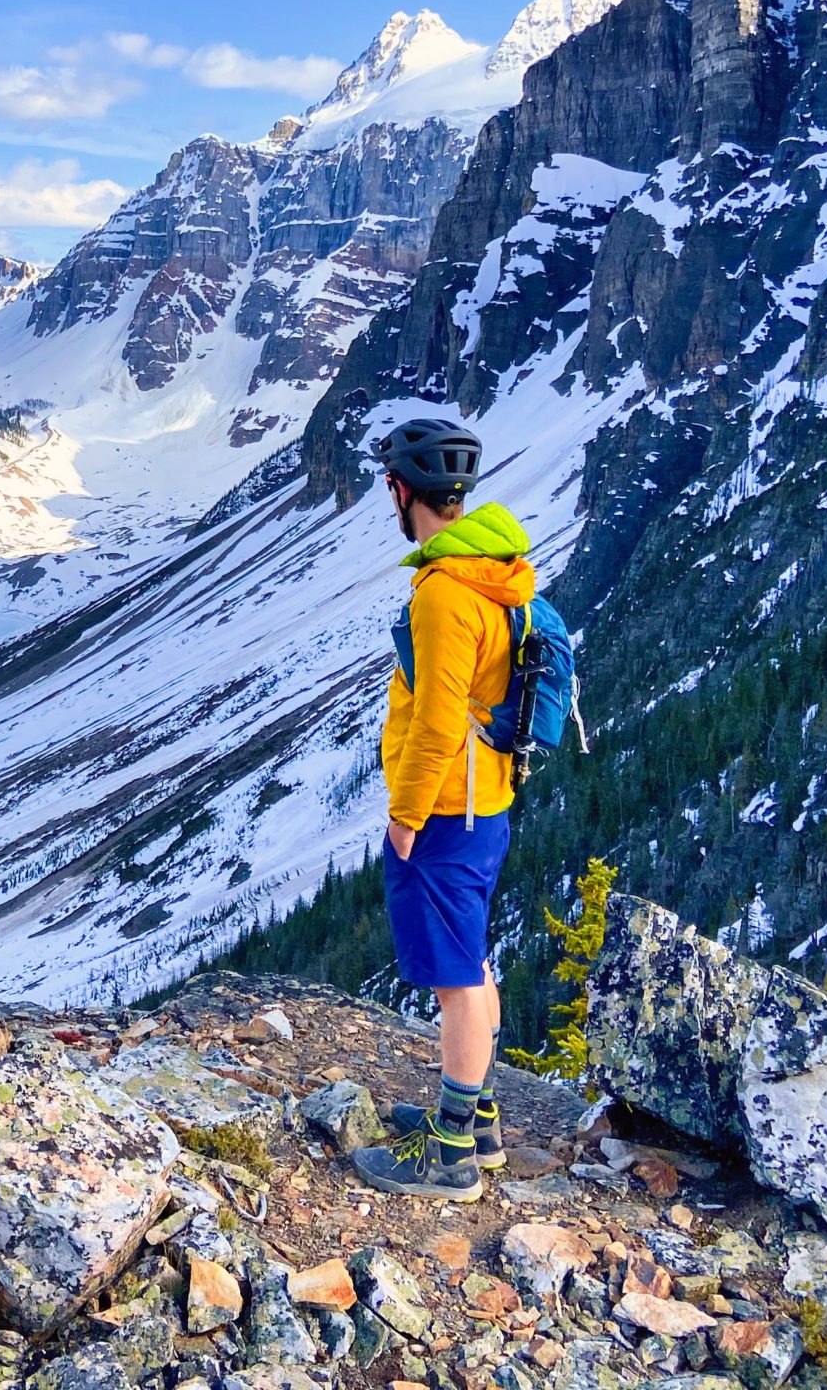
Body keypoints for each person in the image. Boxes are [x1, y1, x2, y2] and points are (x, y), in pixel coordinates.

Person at [349, 415, 533, 1203]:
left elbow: (435, 716)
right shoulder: (495, 569)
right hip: (484, 796)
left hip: (446, 807)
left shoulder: (444, 594)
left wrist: (405, 815)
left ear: (401, 490)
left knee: (455, 977)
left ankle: (452, 1150)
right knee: (475, 957)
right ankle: (479, 1116)